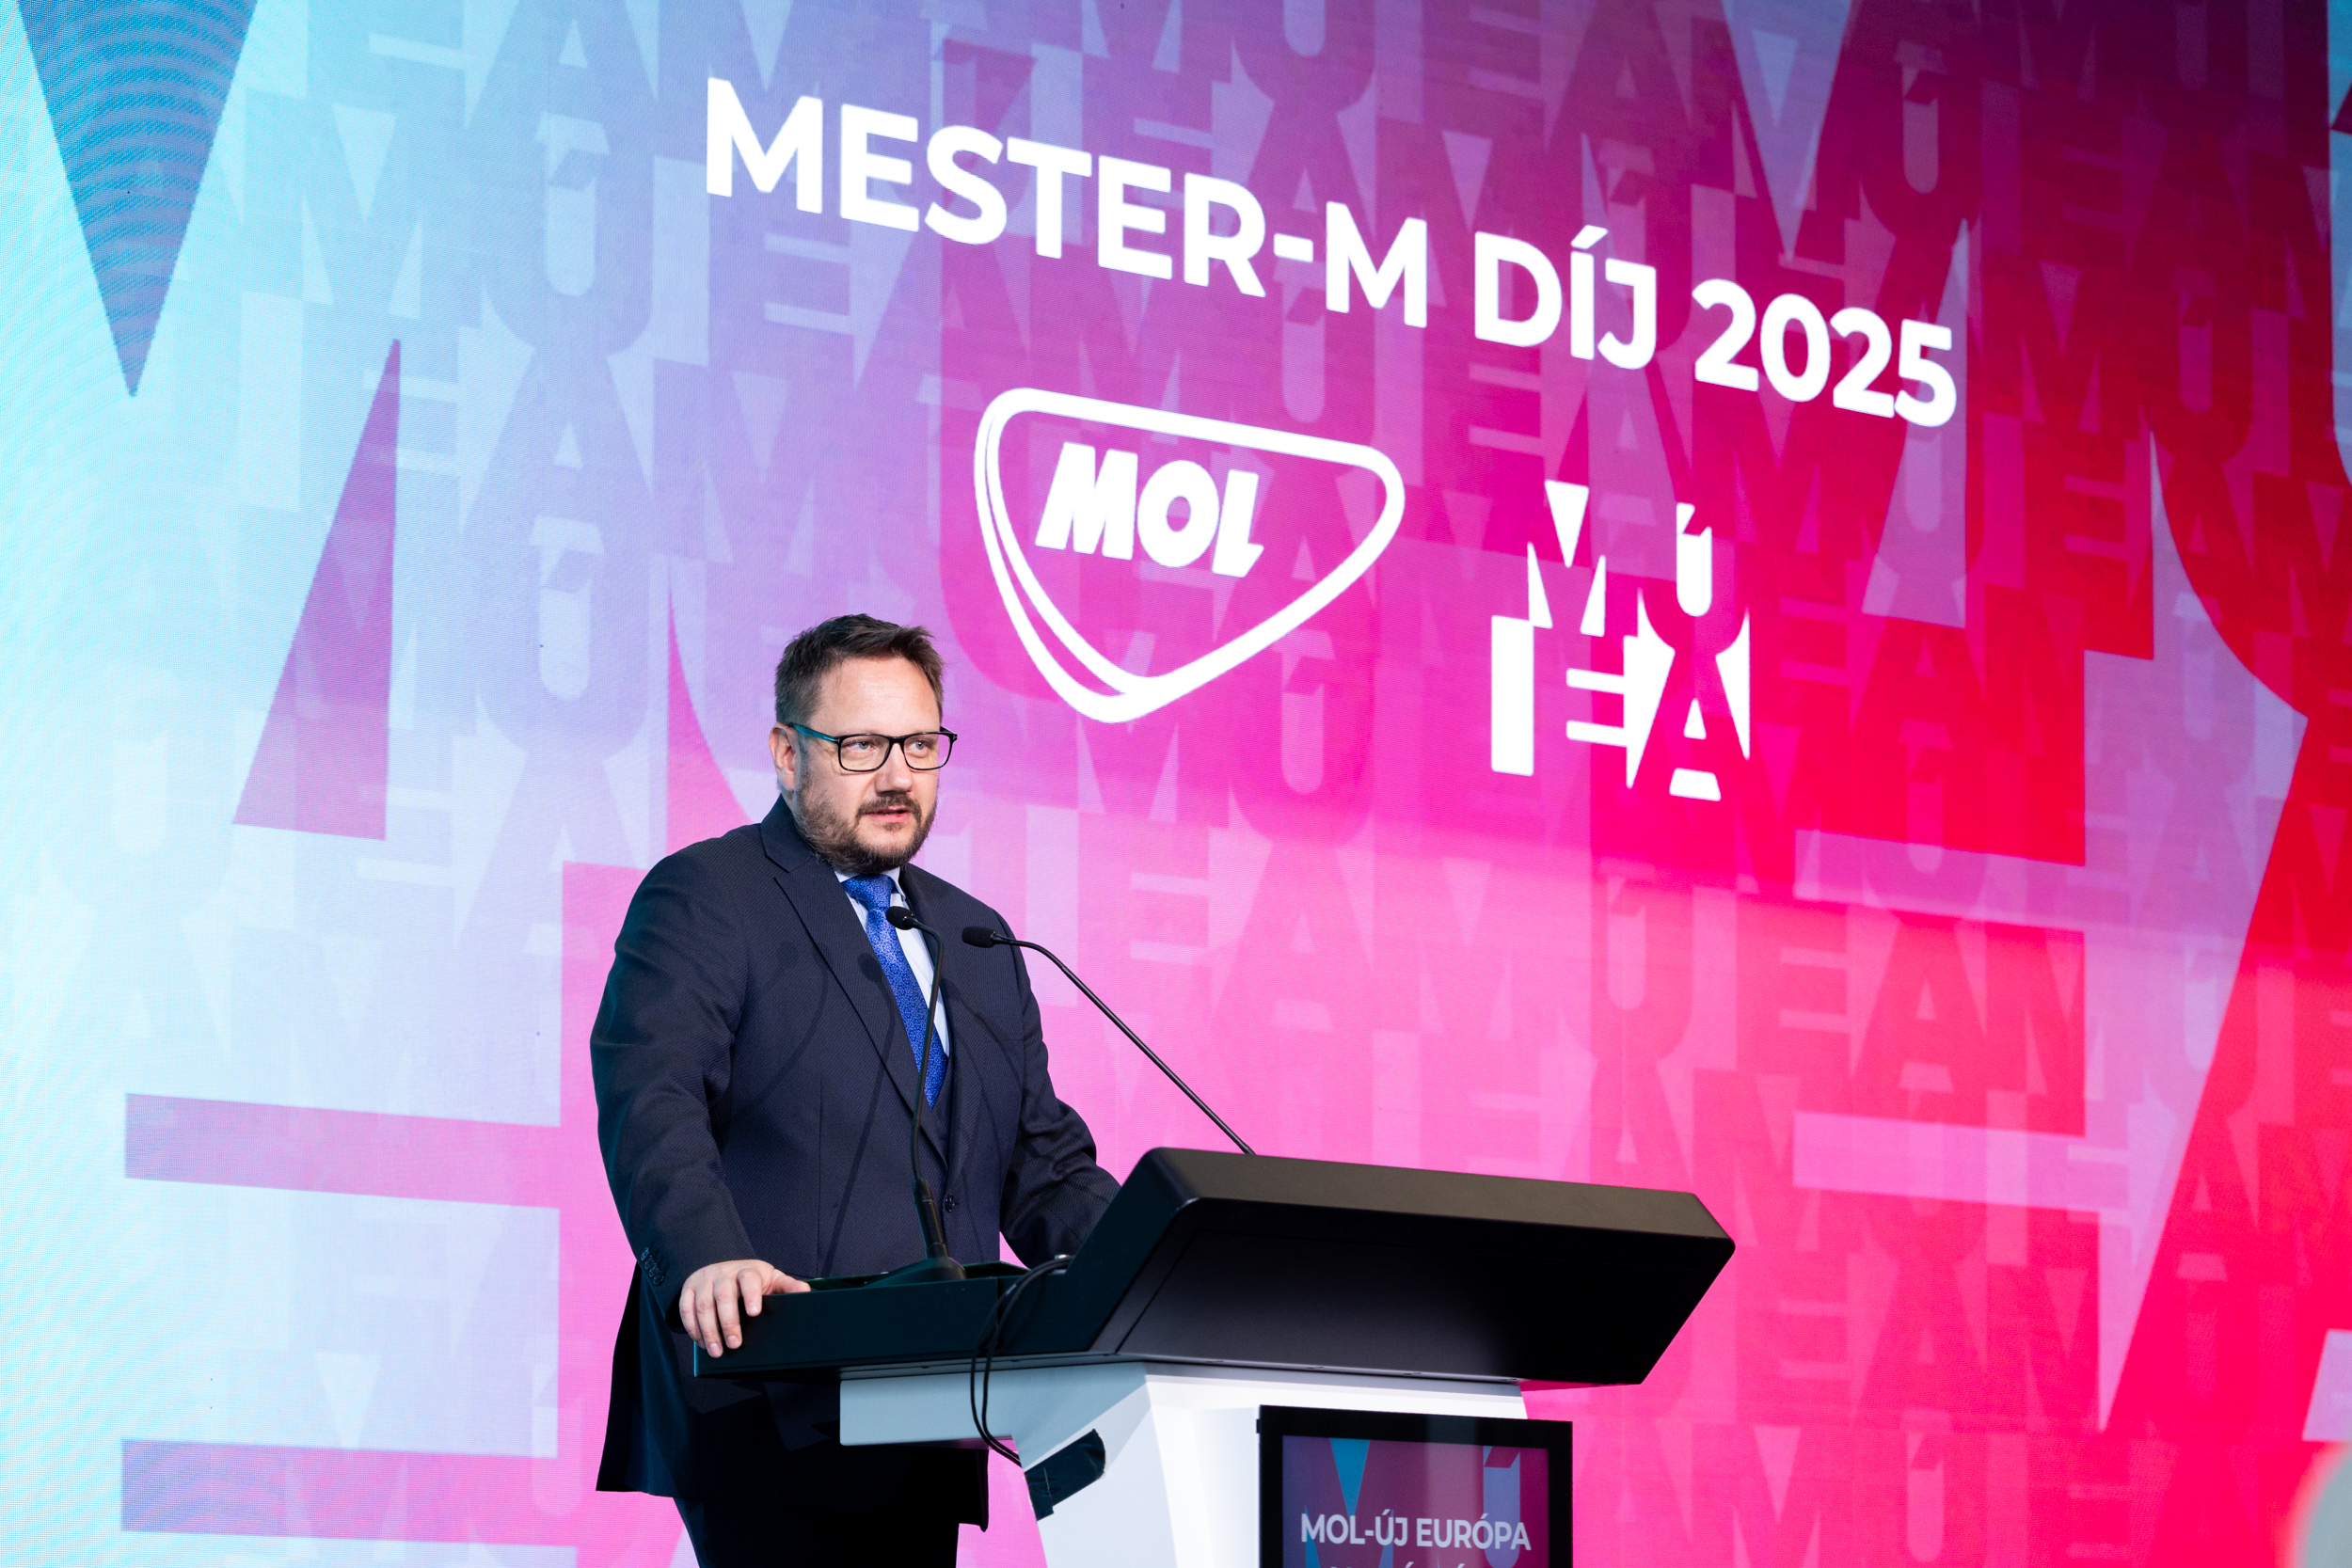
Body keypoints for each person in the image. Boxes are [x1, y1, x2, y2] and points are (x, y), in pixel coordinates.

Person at [592, 614, 1120, 1566]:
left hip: (930, 1406)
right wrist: (707, 1255)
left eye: (919, 745)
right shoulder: (708, 894)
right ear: (786, 753)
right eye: (861, 745)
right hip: (767, 1390)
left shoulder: (977, 938)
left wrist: (1152, 1262)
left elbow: (1040, 1164)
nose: (896, 775)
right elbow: (653, 1096)